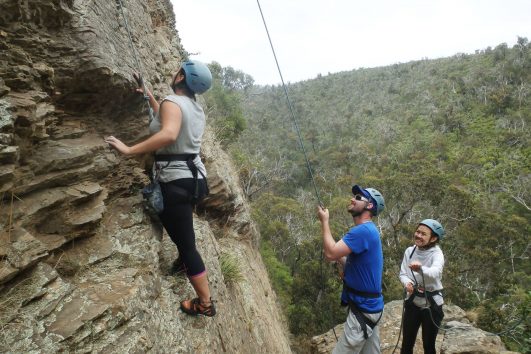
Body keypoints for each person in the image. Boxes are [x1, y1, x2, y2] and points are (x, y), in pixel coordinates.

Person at [105, 60, 216, 317]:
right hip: (194, 179)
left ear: (180, 78)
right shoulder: (194, 107)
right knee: (182, 230)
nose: (174, 73)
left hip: (175, 180)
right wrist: (150, 96)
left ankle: (205, 303)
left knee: (188, 245)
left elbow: (168, 133)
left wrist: (129, 150)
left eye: (178, 71)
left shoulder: (172, 102)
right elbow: (170, 117)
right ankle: (183, 260)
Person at [317, 184, 386, 354]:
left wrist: (325, 222)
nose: (352, 199)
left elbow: (330, 253)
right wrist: (339, 256)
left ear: (369, 206)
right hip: (370, 307)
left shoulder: (363, 231)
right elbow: (351, 261)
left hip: (363, 309)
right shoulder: (368, 231)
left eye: (358, 198)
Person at [399, 219, 445, 354]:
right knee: (407, 343)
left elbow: (436, 273)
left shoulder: (437, 254)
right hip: (413, 299)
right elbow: (403, 273)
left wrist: (420, 269)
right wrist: (407, 283)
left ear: (433, 238)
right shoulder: (410, 251)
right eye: (418, 231)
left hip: (432, 302)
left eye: (423, 234)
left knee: (428, 345)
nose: (418, 235)